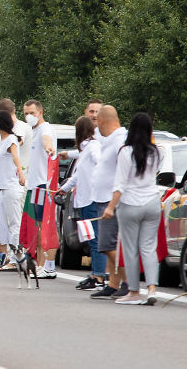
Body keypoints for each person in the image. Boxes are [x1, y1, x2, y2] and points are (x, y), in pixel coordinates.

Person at [102, 112, 159, 305]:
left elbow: (120, 184)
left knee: (130, 250)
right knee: (149, 248)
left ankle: (135, 292)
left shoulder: (125, 152)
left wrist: (110, 207)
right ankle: (152, 289)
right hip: (152, 203)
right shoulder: (157, 151)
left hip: (130, 204)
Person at [58, 116, 105, 290]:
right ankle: (95, 274)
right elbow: (77, 175)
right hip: (84, 201)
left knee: (95, 240)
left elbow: (100, 162)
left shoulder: (93, 147)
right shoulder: (85, 150)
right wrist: (65, 187)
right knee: (90, 239)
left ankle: (99, 277)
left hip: (91, 200)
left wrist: (97, 183)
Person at [89, 105, 129, 300]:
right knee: (106, 243)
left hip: (111, 199)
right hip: (103, 197)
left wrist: (114, 204)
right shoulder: (110, 140)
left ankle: (128, 281)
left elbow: (124, 172)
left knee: (107, 244)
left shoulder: (120, 140)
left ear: (103, 121)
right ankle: (114, 283)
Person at [23, 99, 58, 278]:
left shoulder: (45, 129)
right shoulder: (32, 131)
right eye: (26, 114)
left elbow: (47, 141)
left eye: (32, 113)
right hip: (35, 184)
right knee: (38, 225)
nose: (29, 116)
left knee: (47, 225)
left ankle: (49, 266)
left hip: (44, 185)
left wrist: (49, 148)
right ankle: (41, 264)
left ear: (40, 113)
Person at [0, 110, 25, 272]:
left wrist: (20, 171)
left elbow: (15, 156)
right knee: (8, 224)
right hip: (3, 187)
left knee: (14, 224)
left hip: (12, 187)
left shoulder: (10, 139)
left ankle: (16, 259)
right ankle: (14, 257)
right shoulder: (1, 140)